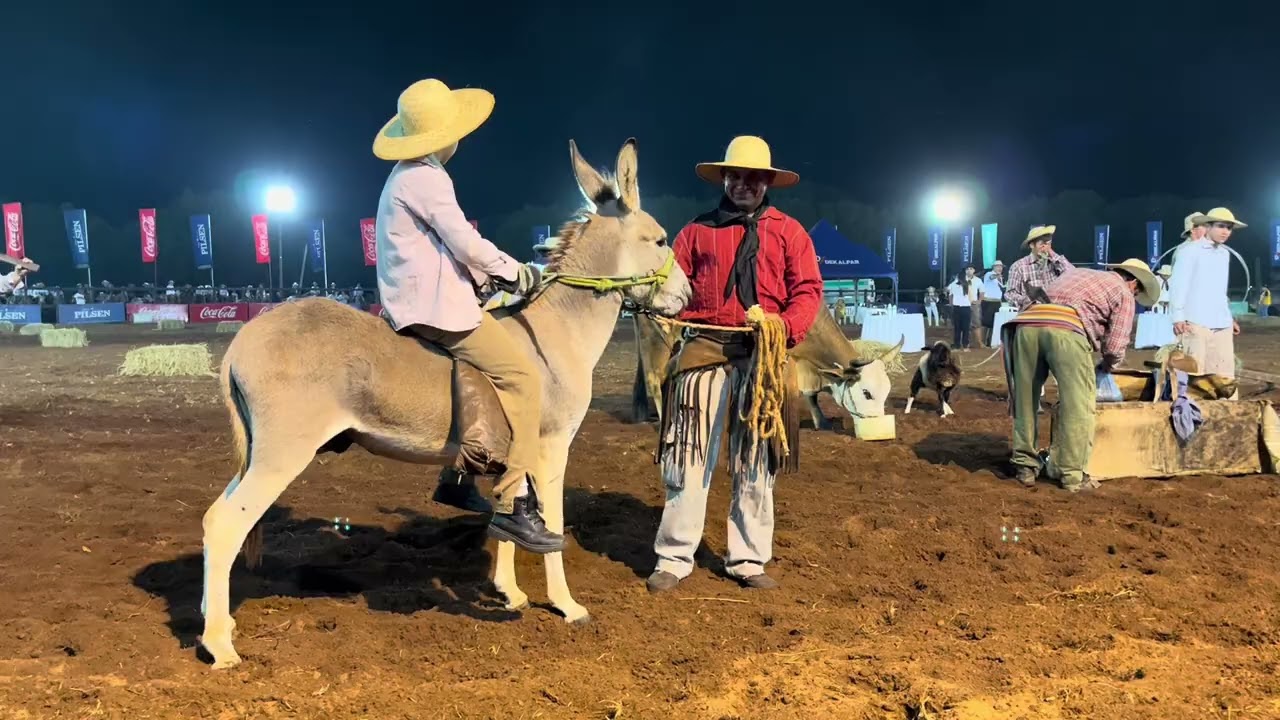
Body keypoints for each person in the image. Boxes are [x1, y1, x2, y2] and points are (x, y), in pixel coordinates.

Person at [371, 78, 560, 553]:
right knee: (521, 376)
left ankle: (455, 480)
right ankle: (515, 503)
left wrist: (486, 280)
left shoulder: (402, 175)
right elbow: (465, 243)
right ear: (447, 135)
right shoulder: (429, 178)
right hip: (434, 309)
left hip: (414, 300)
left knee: (478, 368)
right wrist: (517, 272)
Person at [647, 136, 822, 594]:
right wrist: (660, 305)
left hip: (764, 356)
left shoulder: (790, 233)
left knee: (755, 460)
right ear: (725, 179)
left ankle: (747, 559)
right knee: (688, 456)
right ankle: (674, 555)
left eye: (754, 178)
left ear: (767, 182)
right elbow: (672, 287)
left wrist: (784, 327)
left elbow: (807, 290)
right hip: (704, 348)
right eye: (736, 177)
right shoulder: (694, 233)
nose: (744, 185)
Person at [1002, 259, 1161, 492]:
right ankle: (1072, 474)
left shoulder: (1076, 273)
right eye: (1138, 293)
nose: (1135, 297)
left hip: (1027, 325)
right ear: (1134, 283)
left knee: (1026, 399)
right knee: (1078, 404)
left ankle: (1025, 466)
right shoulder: (1123, 293)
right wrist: (1107, 365)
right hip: (1067, 330)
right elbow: (1115, 346)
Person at [1168, 207, 1245, 393]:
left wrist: (1229, 317)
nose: (1225, 231)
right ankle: (1193, 415)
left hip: (1221, 323)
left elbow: (1219, 290)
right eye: (1221, 226)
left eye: (1229, 227)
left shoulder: (1224, 254)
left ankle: (1229, 415)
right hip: (1196, 321)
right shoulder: (1189, 251)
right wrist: (1177, 316)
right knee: (1196, 375)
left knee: (1225, 376)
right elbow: (1178, 284)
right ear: (1208, 226)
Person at [1005, 225, 1075, 311]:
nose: (1045, 247)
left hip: (1056, 313)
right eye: (1042, 244)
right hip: (1031, 315)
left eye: (1048, 244)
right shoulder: (1019, 267)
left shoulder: (1055, 263)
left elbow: (1073, 275)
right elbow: (1010, 295)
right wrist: (1030, 301)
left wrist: (1052, 253)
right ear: (1031, 245)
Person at [945, 267, 978, 349]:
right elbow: (971, 296)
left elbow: (948, 293)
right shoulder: (968, 284)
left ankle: (957, 344)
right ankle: (965, 344)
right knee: (966, 327)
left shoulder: (953, 284)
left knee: (957, 327)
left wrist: (951, 304)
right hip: (966, 307)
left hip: (957, 307)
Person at [980, 260, 1005, 347]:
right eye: (998, 266)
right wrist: (997, 275)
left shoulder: (1000, 278)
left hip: (997, 302)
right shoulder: (989, 274)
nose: (1000, 268)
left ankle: (989, 342)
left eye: (1001, 267)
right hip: (988, 301)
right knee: (985, 323)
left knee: (994, 323)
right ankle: (981, 342)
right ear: (994, 267)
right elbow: (991, 277)